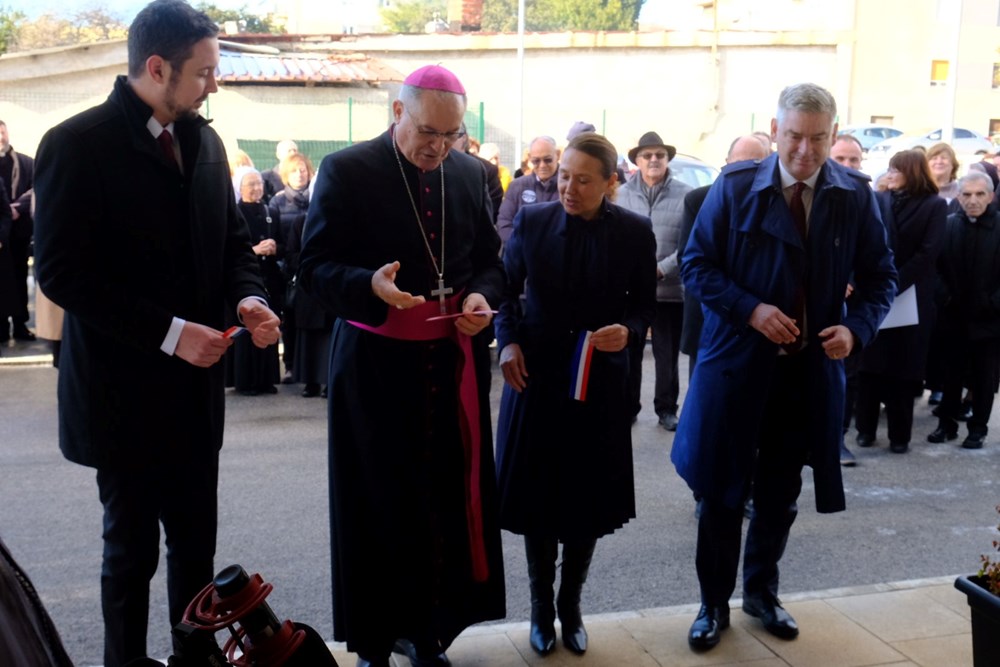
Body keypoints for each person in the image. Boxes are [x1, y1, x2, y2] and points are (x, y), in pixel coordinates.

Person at [31, 2, 282, 664]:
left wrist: (250, 298)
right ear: (157, 68)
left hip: (196, 397)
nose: (214, 84)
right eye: (204, 72)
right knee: (130, 552)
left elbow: (232, 244)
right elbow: (61, 273)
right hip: (121, 396)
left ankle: (192, 661)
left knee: (196, 550)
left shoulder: (206, 143)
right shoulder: (76, 144)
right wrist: (172, 334)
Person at [672, 82, 896, 650]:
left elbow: (880, 278)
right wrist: (750, 309)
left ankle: (761, 594)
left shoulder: (854, 195)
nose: (805, 150)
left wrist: (856, 328)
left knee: (780, 493)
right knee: (721, 492)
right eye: (794, 136)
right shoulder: (734, 187)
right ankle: (712, 604)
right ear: (775, 131)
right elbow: (696, 266)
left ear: (834, 135)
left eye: (818, 139)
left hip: (804, 374)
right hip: (736, 368)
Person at [297, 64, 506, 667]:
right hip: (374, 366)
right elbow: (312, 268)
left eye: (451, 135)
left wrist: (479, 296)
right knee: (379, 502)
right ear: (397, 113)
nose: (438, 148)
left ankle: (428, 631)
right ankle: (374, 639)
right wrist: (368, 284)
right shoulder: (347, 169)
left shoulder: (470, 174)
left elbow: (491, 262)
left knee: (442, 500)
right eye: (428, 132)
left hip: (450, 363)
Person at [494, 132, 656, 657]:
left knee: (587, 498)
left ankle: (571, 604)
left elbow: (645, 306)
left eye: (583, 180)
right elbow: (504, 292)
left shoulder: (634, 232)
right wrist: (507, 342)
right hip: (536, 379)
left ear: (610, 183)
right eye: (564, 175)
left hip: (598, 383)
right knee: (538, 498)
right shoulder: (533, 221)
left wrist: (629, 331)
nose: (568, 188)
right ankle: (541, 607)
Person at [854, 150, 946, 454]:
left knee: (904, 371)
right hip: (877, 296)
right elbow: (867, 243)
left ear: (912, 172)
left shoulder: (934, 205)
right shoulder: (880, 200)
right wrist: (880, 284)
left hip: (912, 298)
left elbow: (928, 252)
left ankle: (899, 436)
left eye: (896, 169)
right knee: (869, 367)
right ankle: (865, 429)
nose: (890, 174)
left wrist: (893, 282)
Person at [617, 131, 692, 430]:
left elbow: (689, 244)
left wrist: (661, 269)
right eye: (647, 155)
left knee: (666, 355)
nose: (653, 160)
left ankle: (666, 409)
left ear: (667, 159)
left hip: (669, 290)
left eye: (659, 155)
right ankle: (628, 407)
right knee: (630, 350)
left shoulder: (686, 195)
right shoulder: (621, 194)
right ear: (636, 160)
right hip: (630, 290)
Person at [927, 171, 1000, 450]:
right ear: (958, 196)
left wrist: (992, 303)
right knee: (951, 373)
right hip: (953, 315)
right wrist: (944, 296)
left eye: (980, 194)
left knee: (983, 376)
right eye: (967, 194)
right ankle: (946, 424)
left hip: (989, 320)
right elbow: (933, 268)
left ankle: (978, 428)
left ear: (990, 196)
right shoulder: (948, 225)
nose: (973, 200)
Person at [230, 167, 285, 395]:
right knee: (248, 329)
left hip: (269, 278)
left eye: (259, 183)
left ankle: (266, 379)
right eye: (251, 184)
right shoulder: (235, 212)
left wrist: (275, 248)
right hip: (246, 280)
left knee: (268, 325)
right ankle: (246, 381)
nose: (256, 188)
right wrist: (255, 250)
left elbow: (284, 244)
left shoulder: (270, 211)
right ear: (240, 188)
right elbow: (232, 249)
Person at [269, 151, 314, 387]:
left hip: (311, 268)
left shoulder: (316, 198)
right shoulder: (277, 202)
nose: (299, 174)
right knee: (291, 319)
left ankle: (309, 368)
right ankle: (290, 366)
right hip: (288, 268)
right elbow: (274, 236)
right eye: (294, 171)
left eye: (303, 170)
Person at [0, 120, 35, 342]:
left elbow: (36, 187)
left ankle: (21, 324)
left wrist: (16, 208)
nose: (0, 137)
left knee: (20, 277)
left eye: (2, 132)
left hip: (19, 231)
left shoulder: (25, 162)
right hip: (1, 233)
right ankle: (1, 326)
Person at [496, 135, 560, 245]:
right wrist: (521, 247)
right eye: (536, 161)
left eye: (548, 160)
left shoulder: (568, 186)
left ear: (557, 155)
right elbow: (504, 223)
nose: (542, 165)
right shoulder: (517, 186)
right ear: (530, 158)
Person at [262, 138, 298, 202]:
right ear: (278, 155)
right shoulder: (266, 177)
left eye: (295, 150)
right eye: (289, 151)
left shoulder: (303, 176)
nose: (293, 153)